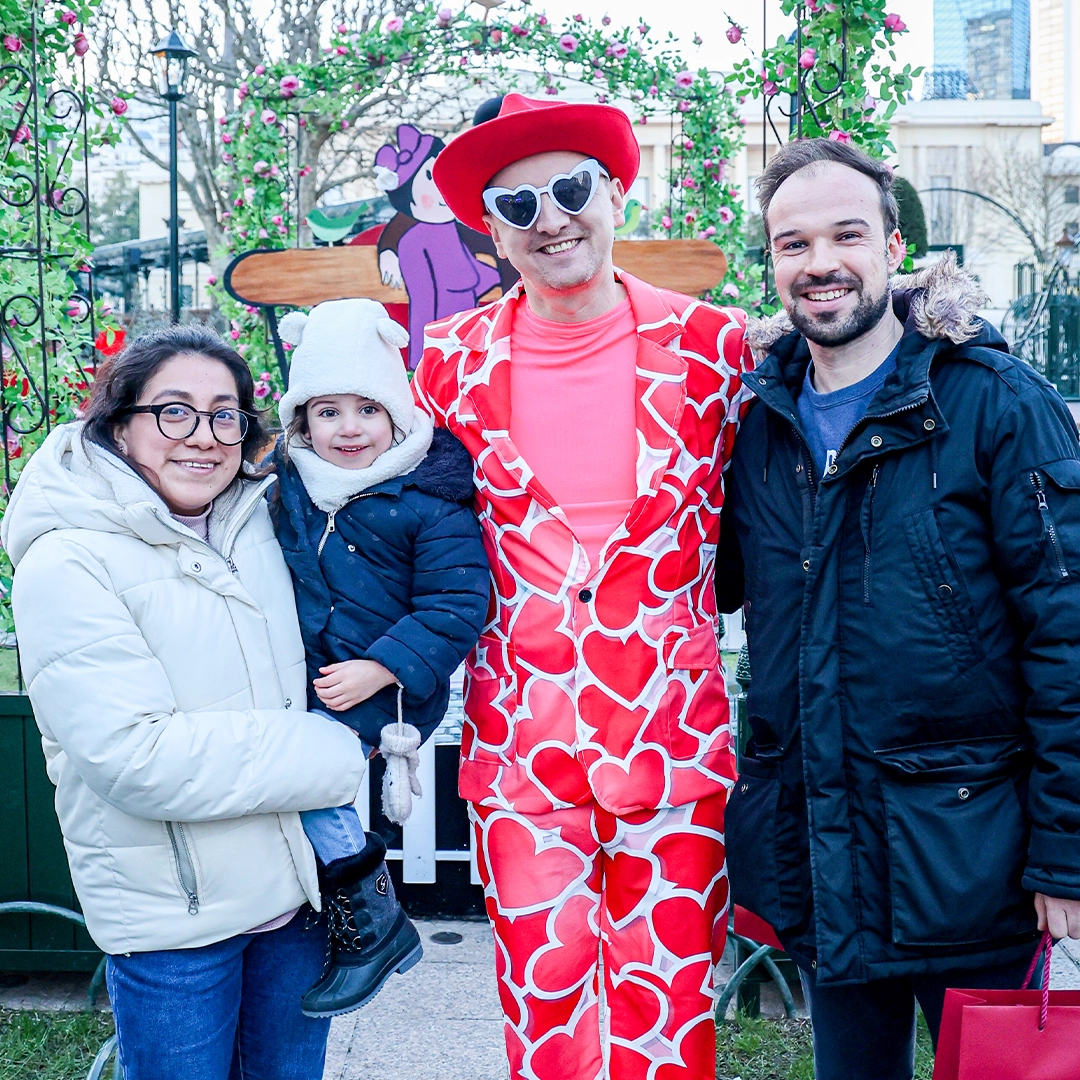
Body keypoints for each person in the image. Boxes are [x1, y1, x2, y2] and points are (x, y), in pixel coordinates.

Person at [715, 137, 1080, 1080]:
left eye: (845, 234)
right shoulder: (759, 424)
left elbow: (1068, 636)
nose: (820, 262)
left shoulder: (993, 404)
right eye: (792, 244)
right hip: (825, 848)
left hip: (972, 855)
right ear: (773, 264)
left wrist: (1065, 859)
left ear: (892, 244)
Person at [413, 93, 754, 1080]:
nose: (549, 218)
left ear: (613, 191)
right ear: (491, 232)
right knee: (544, 1010)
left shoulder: (714, 348)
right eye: (517, 206)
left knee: (669, 1011)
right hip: (521, 745)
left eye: (568, 189)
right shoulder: (449, 362)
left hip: (673, 736)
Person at [0, 325, 371, 1079]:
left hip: (296, 905)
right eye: (174, 411)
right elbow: (139, 759)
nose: (202, 437)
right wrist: (337, 751)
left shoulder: (258, 527)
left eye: (224, 414)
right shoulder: (69, 559)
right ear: (119, 423)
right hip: (177, 921)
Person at [265, 297, 490, 1017]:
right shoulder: (289, 487)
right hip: (299, 678)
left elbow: (455, 604)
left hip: (381, 687)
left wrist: (382, 666)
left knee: (310, 783)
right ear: (302, 422)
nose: (348, 428)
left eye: (366, 408)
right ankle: (327, 909)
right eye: (326, 412)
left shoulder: (429, 497)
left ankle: (374, 923)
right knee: (278, 785)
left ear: (395, 413)